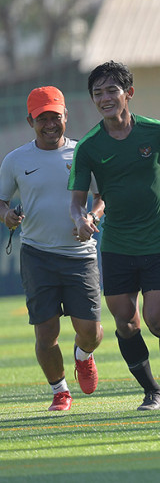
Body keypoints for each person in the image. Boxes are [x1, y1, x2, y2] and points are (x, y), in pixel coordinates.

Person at [69, 62, 160, 411]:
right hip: (117, 246)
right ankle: (151, 391)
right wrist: (81, 221)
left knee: (156, 321)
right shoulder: (88, 146)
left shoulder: (157, 131)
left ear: (129, 93)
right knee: (126, 324)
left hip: (159, 242)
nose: (104, 98)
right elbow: (77, 203)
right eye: (97, 93)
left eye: (111, 90)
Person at [0, 87, 104, 411]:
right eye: (42, 118)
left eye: (55, 117)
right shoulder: (15, 160)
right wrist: (7, 215)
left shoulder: (83, 153)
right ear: (30, 121)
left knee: (91, 332)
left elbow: (102, 196)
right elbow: (1, 201)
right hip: (37, 255)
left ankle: (83, 356)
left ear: (65, 117)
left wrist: (91, 216)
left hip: (80, 255)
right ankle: (60, 391)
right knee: (46, 335)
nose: (49, 124)